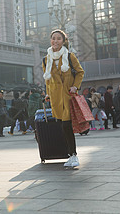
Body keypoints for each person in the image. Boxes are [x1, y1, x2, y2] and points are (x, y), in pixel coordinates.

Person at [43, 29, 84, 167]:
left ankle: (74, 155)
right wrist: (47, 93)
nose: (55, 41)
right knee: (62, 126)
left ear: (64, 41)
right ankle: (69, 154)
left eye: (59, 38)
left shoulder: (70, 56)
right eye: (53, 38)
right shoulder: (46, 59)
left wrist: (75, 86)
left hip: (67, 96)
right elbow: (47, 80)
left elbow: (80, 72)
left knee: (67, 125)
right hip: (55, 98)